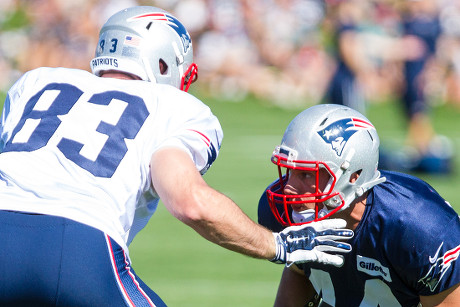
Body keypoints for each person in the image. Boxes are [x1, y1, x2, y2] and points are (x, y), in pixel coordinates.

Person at [0, 6, 354, 306]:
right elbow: (189, 202)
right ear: (165, 64)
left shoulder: (34, 82)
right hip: (77, 246)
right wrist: (276, 244)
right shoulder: (172, 105)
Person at [258, 104, 460, 306]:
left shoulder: (416, 227)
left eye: (306, 174)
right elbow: (299, 271)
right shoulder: (282, 211)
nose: (288, 188)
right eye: (289, 171)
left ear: (353, 176)